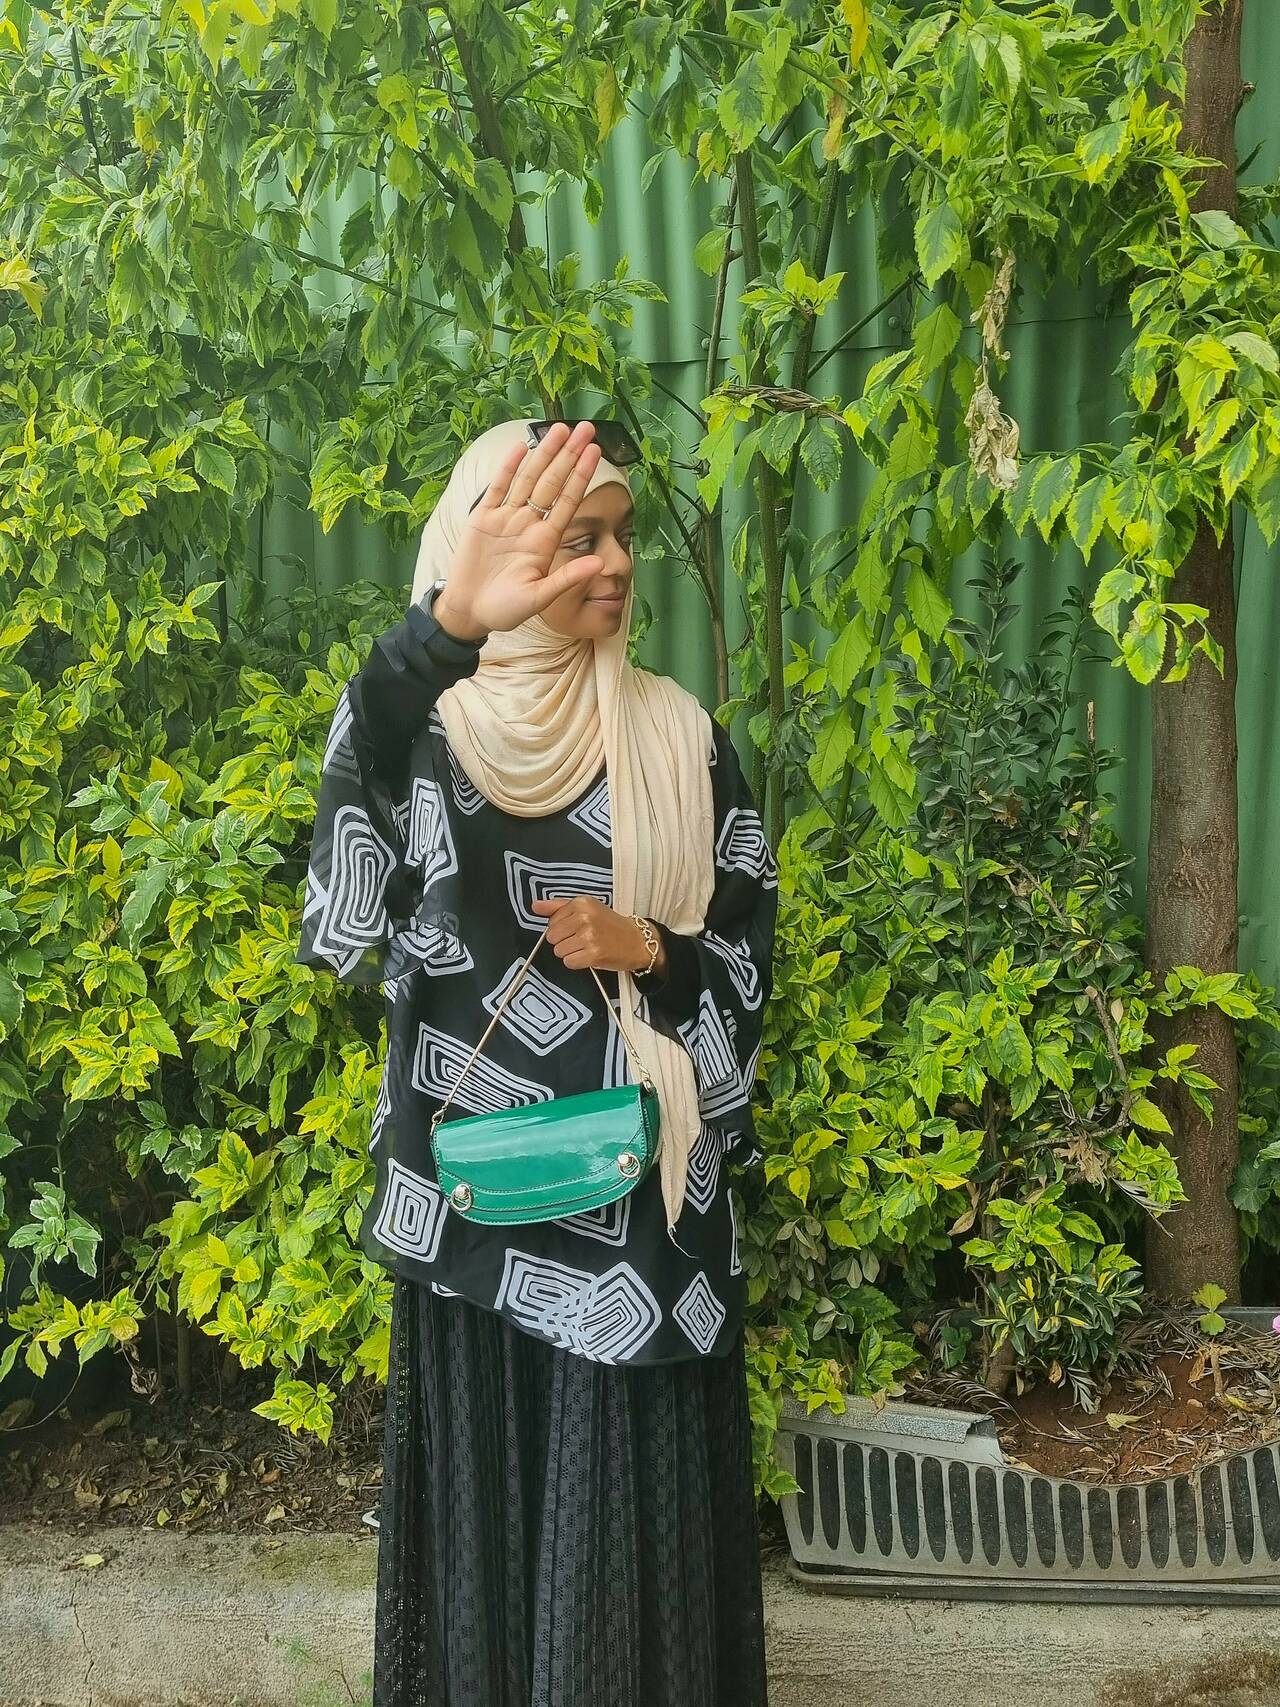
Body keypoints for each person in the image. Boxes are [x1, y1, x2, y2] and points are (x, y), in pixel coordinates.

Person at [295, 416, 778, 1707]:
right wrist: (443, 629)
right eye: (578, 539)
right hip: (479, 1222)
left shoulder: (683, 738)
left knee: (626, 1558)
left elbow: (744, 967)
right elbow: (340, 917)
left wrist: (653, 948)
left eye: (622, 535)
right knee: (495, 1556)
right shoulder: (433, 730)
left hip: (642, 1224)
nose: (615, 564)